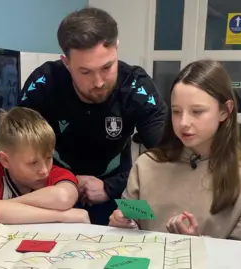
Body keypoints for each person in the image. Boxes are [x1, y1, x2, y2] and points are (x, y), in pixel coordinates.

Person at [18, 7, 168, 225]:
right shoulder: (44, 83)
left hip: (119, 185)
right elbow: (18, 154)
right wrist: (65, 181)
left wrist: (111, 187)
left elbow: (167, 158)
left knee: (144, 232)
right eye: (85, 72)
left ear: (116, 48)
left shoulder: (136, 86)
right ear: (66, 63)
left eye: (107, 67)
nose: (99, 82)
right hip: (54, 186)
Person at [108, 60, 241, 245]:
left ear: (225, 111)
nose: (184, 122)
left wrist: (197, 244)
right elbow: (129, 223)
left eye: (197, 111)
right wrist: (122, 224)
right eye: (176, 111)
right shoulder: (147, 164)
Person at [0, 107, 90, 224]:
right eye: (33, 163)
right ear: (5, 160)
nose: (44, 170)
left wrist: (2, 206)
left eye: (49, 158)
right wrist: (62, 216)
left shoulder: (58, 174)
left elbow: (63, 198)